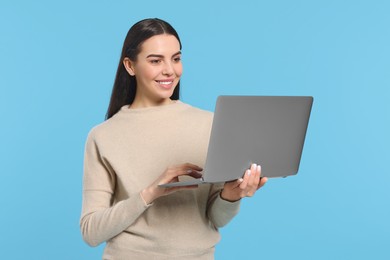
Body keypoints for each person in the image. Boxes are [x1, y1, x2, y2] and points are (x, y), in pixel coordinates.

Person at [80, 18, 268, 260]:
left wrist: (231, 195)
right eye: (156, 60)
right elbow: (91, 232)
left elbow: (216, 218)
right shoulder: (102, 136)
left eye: (176, 59)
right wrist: (150, 193)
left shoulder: (211, 124)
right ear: (130, 65)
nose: (169, 70)